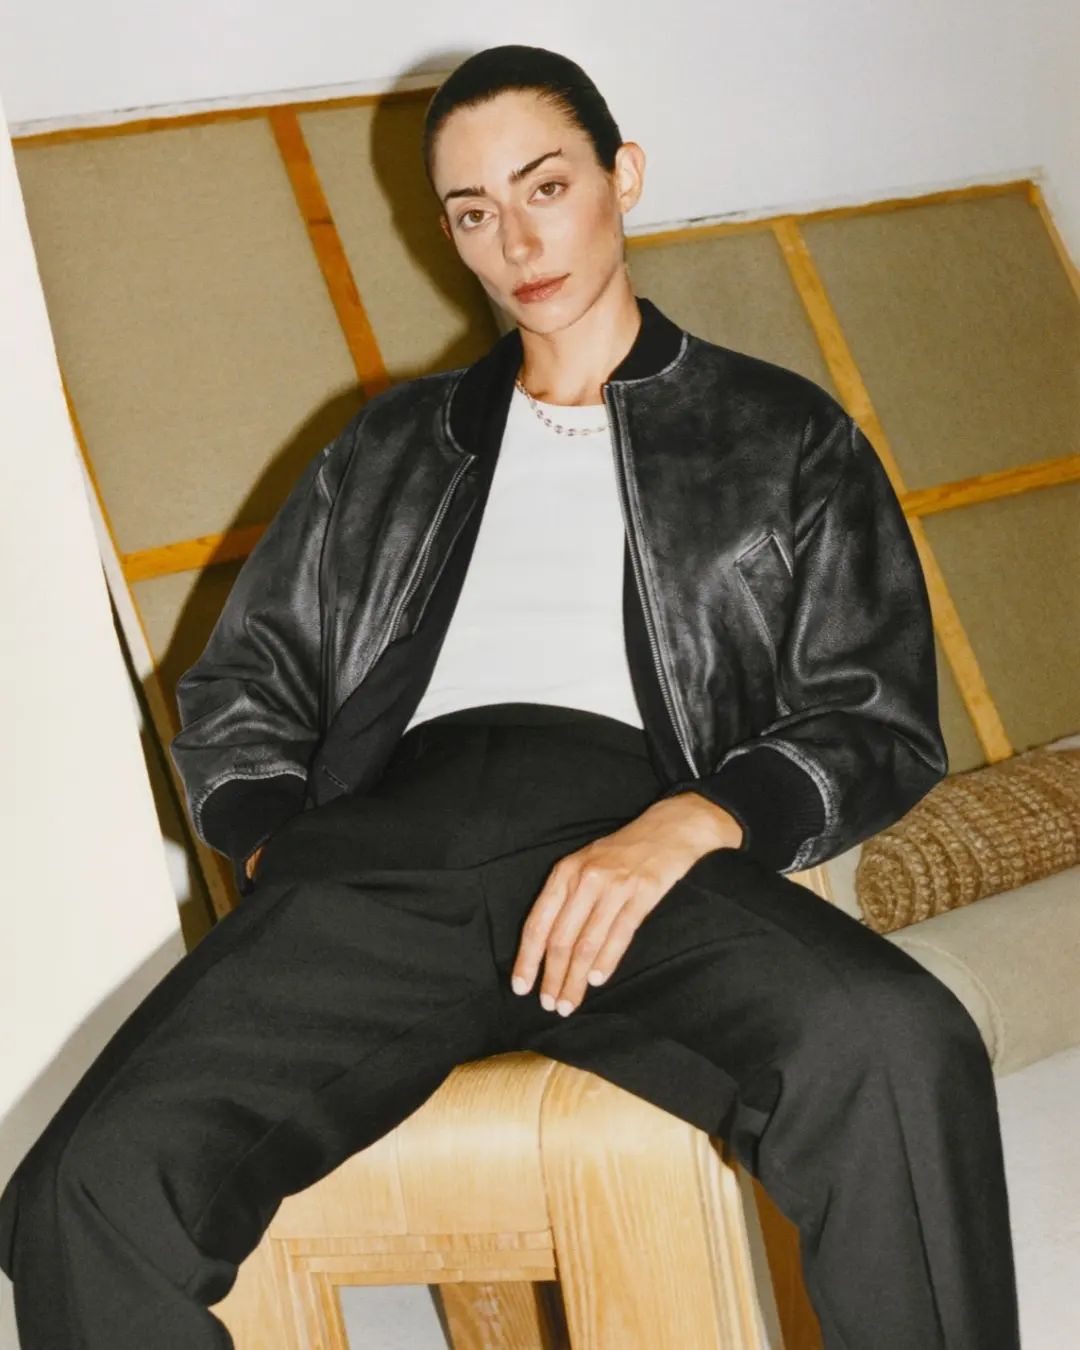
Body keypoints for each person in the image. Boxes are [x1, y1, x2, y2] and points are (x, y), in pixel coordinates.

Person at [0, 43, 1021, 1350]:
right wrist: (272, 843)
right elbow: (245, 681)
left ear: (621, 176)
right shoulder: (387, 446)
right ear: (449, 233)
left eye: (546, 188)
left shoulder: (781, 435)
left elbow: (873, 708)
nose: (517, 242)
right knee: (81, 1195)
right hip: (388, 855)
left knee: (894, 1041)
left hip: (634, 848)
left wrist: (696, 821)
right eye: (474, 211)